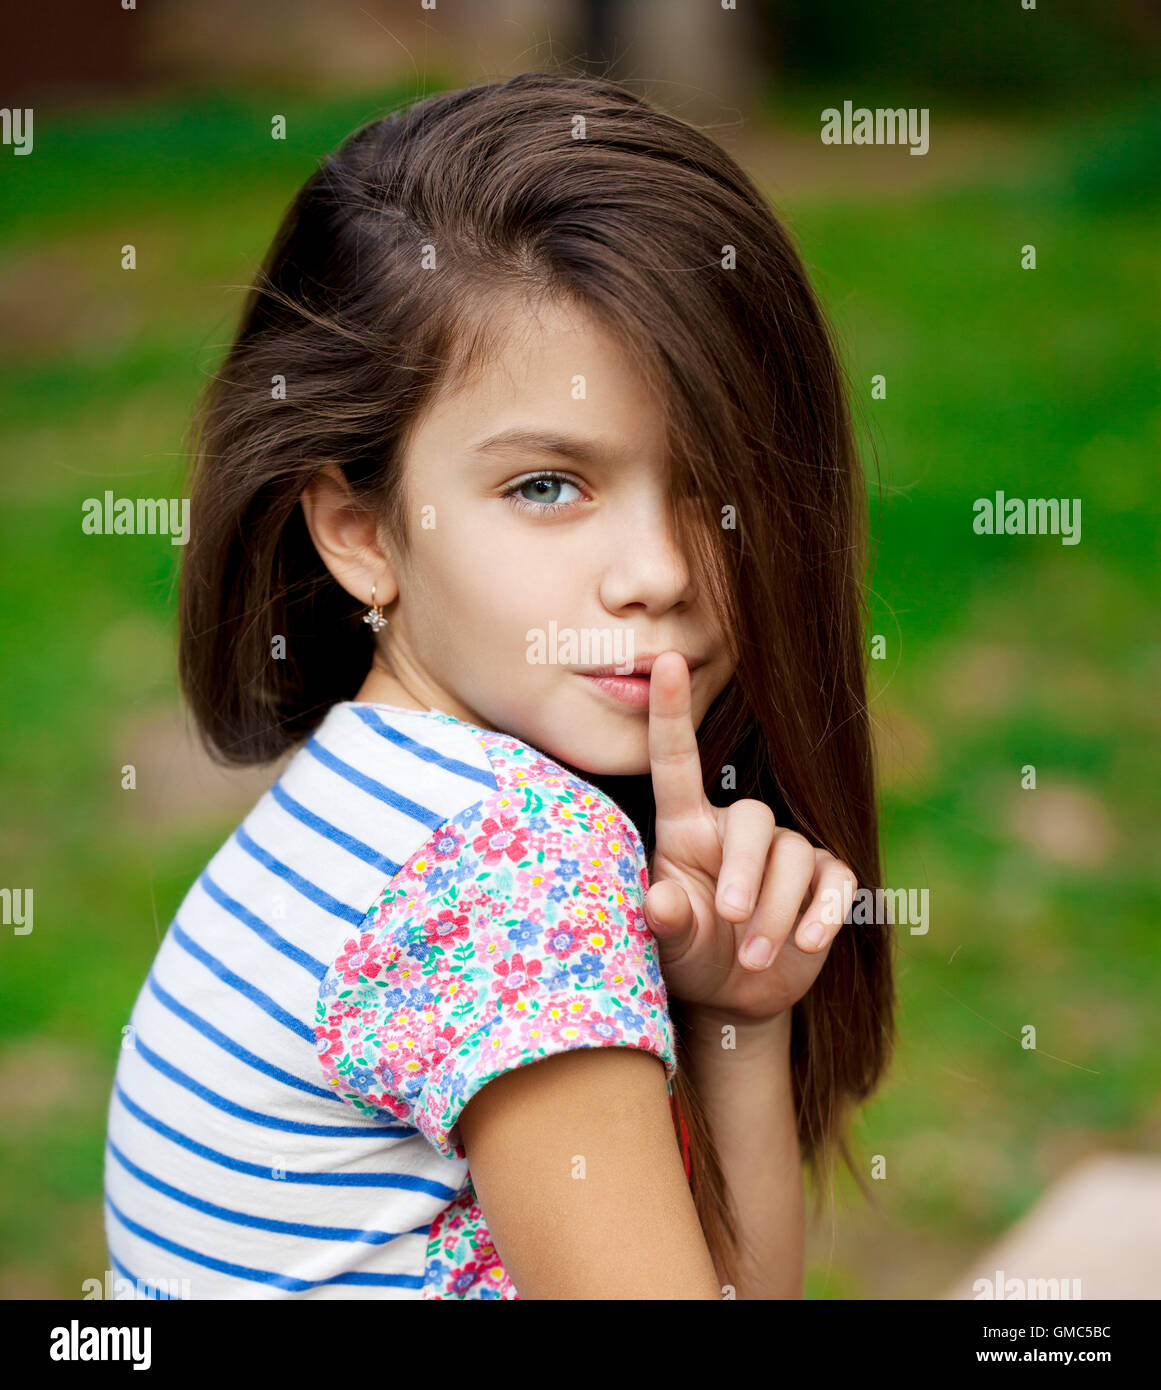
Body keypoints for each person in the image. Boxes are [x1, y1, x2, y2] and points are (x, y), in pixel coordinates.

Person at [102, 70, 895, 1300]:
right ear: (359, 528)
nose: (661, 572)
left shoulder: (369, 795)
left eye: (715, 487)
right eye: (545, 486)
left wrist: (739, 1016)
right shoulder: (508, 862)